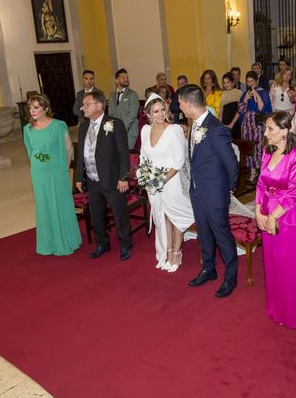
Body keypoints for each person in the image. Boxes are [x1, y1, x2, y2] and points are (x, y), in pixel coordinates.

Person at [179, 84, 239, 298]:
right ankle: (209, 269)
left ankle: (231, 277)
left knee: (222, 235)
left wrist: (227, 190)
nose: (179, 107)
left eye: (180, 103)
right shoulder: (194, 125)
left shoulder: (216, 129)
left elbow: (232, 164)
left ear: (187, 104)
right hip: (197, 192)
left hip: (214, 194)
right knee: (204, 234)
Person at [255, 111, 296, 328]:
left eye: (270, 129)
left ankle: (291, 315)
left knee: (289, 269)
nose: (266, 133)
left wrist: (272, 217)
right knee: (273, 265)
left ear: (285, 131)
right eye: (266, 128)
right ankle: (275, 308)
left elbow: (294, 194)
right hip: (267, 213)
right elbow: (260, 183)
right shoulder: (268, 152)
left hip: (288, 219)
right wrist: (258, 211)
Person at [76, 90, 133, 261]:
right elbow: (81, 154)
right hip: (92, 180)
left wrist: (123, 178)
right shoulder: (83, 126)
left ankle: (125, 244)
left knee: (119, 214)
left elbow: (124, 154)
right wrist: (79, 177)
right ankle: (102, 243)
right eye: (83, 105)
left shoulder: (115, 124)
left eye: (86, 104)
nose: (82, 108)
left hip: (112, 179)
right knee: (96, 214)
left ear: (99, 106)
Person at [140, 93, 194, 272]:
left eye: (162, 109)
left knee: (175, 216)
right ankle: (168, 251)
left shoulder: (174, 130)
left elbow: (178, 161)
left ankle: (177, 253)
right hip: (153, 182)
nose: (160, 114)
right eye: (155, 111)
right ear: (148, 114)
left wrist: (160, 180)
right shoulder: (145, 131)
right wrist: (145, 175)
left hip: (170, 181)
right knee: (163, 218)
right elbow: (143, 156)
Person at [23, 94, 82, 256]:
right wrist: (38, 164)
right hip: (38, 173)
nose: (32, 111)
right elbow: (30, 151)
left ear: (46, 109)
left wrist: (63, 168)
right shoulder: (27, 129)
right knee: (44, 205)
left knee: (60, 204)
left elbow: (68, 148)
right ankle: (48, 243)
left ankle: (66, 240)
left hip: (57, 172)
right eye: (30, 108)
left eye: (36, 107)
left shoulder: (58, 125)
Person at [238, 70, 272, 180]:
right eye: (248, 81)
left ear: (256, 81)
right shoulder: (245, 94)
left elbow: (262, 109)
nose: (250, 84)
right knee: (250, 148)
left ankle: (262, 172)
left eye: (252, 81)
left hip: (257, 125)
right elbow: (241, 110)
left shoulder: (263, 92)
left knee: (259, 147)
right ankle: (252, 172)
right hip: (247, 126)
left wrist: (257, 95)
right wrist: (246, 100)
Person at [108, 68, 140, 149]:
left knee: (126, 154)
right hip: (116, 131)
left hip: (129, 131)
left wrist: (121, 128)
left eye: (127, 77)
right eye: (123, 77)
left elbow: (132, 115)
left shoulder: (132, 94)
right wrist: (111, 127)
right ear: (117, 80)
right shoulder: (112, 95)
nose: (126, 79)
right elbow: (111, 114)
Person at [218, 72, 243, 139]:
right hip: (225, 123)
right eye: (224, 83)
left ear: (232, 82)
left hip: (236, 122)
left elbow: (240, 109)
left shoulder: (239, 92)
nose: (226, 85)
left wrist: (232, 123)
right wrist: (220, 124)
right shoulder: (222, 94)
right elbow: (221, 111)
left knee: (237, 143)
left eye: (228, 82)